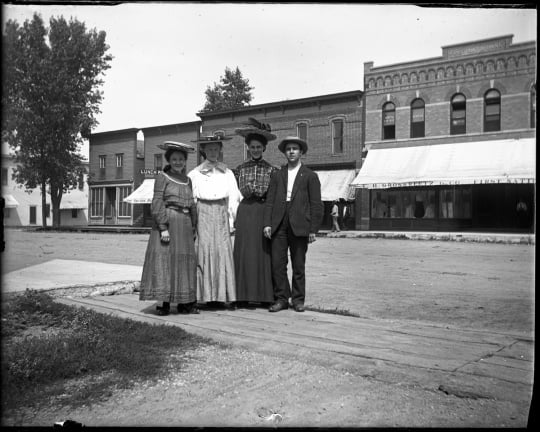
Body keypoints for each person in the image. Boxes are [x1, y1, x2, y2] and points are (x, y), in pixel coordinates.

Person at [263, 136, 323, 312]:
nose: (291, 152)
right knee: (278, 264)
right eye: (288, 149)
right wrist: (267, 223)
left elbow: (316, 204)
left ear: (301, 152)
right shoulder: (277, 174)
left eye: (295, 149)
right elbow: (270, 201)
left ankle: (298, 300)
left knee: (298, 265)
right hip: (279, 223)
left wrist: (313, 229)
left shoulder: (310, 176)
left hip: (299, 223)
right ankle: (281, 298)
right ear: (284, 152)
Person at [139, 141, 199, 315]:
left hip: (185, 225)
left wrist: (194, 226)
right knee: (165, 261)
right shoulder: (162, 178)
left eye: (181, 159)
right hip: (168, 224)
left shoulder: (188, 180)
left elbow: (192, 204)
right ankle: (162, 303)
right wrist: (163, 227)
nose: (178, 162)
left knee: (184, 261)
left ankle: (184, 302)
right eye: (174, 159)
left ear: (185, 160)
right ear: (169, 160)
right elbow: (157, 202)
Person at [188, 133, 242, 309]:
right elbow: (192, 200)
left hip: (220, 214)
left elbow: (233, 197)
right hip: (203, 213)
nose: (213, 152)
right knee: (203, 252)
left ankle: (223, 296)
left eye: (216, 149)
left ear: (220, 150)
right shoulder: (194, 173)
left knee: (222, 251)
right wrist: (193, 224)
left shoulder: (227, 172)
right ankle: (204, 296)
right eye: (209, 149)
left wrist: (232, 220)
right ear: (203, 151)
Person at [232, 118, 279, 308]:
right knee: (244, 253)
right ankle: (241, 295)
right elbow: (237, 192)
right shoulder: (239, 169)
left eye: (259, 147)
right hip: (245, 211)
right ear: (248, 147)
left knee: (262, 253)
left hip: (262, 211)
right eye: (252, 147)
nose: (255, 150)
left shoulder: (272, 170)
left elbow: (272, 196)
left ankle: (265, 296)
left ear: (264, 148)